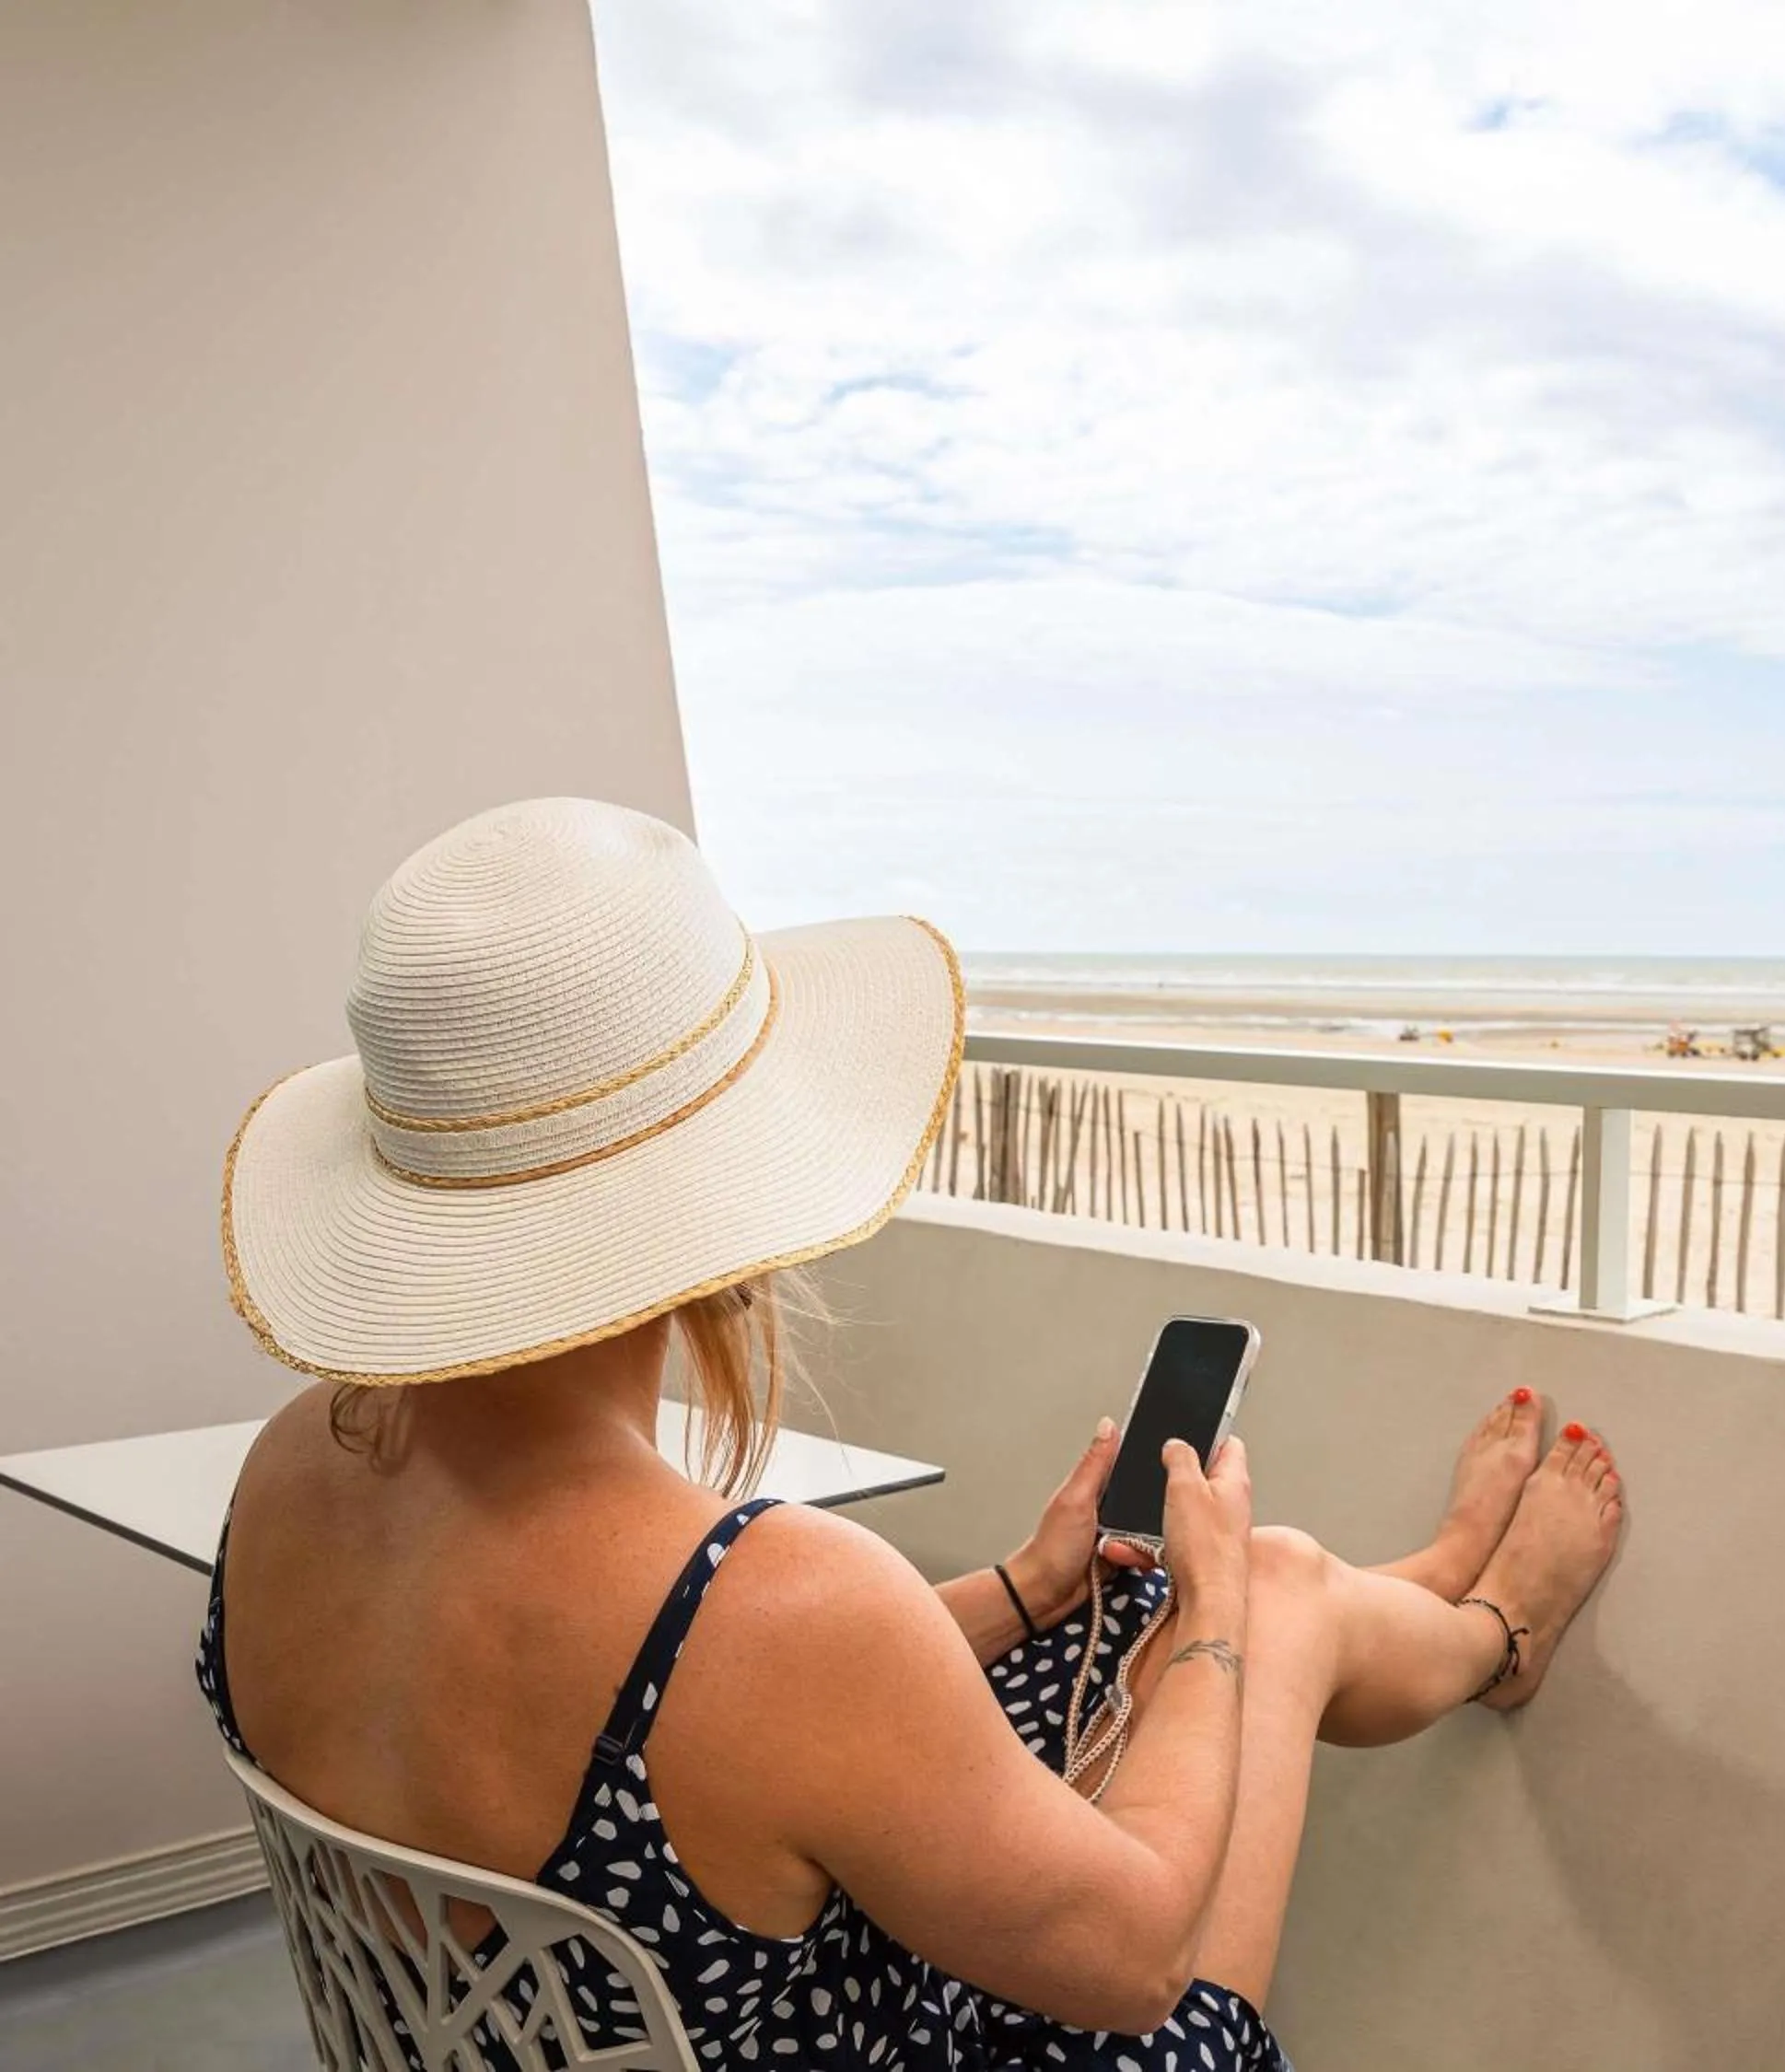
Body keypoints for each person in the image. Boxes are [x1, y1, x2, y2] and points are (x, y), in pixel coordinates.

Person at [199, 798, 1622, 2069]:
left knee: (1185, 1599)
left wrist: (1022, 1589)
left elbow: (703, 1711)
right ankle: (1492, 1632)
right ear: (726, 1219)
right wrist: (1218, 1613)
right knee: (1269, 1597)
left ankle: (1449, 1598)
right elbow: (1139, 1961)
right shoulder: (777, 1607)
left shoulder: (288, 1466)